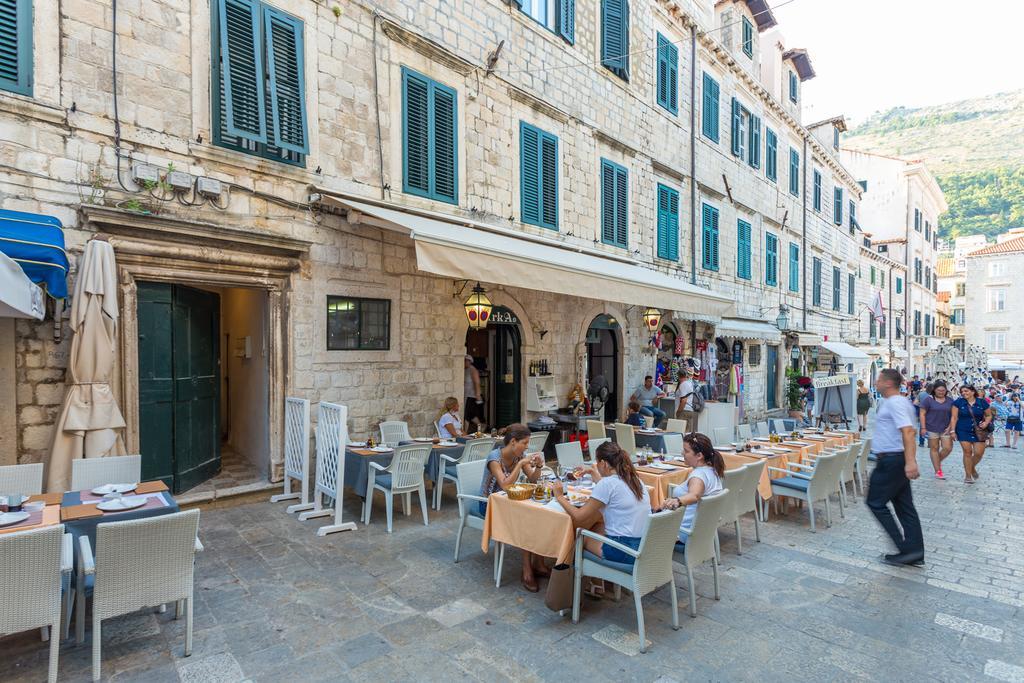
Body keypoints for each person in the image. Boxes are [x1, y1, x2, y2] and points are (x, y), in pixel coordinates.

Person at [550, 442, 650, 566]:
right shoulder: (634, 480)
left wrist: (559, 497)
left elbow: (579, 516)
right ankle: (598, 582)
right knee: (595, 526)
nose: (596, 466)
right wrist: (593, 473)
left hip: (624, 552)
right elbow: (610, 490)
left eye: (597, 463)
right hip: (643, 547)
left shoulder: (607, 484)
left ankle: (579, 577)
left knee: (577, 534)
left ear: (603, 463)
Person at [478, 424, 547, 591]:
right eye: (525, 442)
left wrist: (538, 466)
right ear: (514, 442)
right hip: (489, 504)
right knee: (526, 521)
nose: (527, 446)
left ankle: (538, 562)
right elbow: (505, 485)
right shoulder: (494, 458)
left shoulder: (519, 455)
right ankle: (527, 570)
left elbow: (532, 479)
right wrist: (520, 463)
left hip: (508, 502)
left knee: (538, 515)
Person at [866, 368, 924, 567]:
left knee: (875, 502)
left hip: (892, 460)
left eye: (878, 380)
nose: (875, 383)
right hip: (895, 458)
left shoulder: (896, 403)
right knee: (905, 507)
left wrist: (910, 461)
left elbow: (908, 431)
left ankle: (906, 548)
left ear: (888, 383)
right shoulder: (897, 402)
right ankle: (914, 550)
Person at [660, 433, 725, 544]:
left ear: (699, 455)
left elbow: (694, 495)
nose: (682, 453)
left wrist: (677, 500)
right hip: (700, 531)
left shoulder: (698, 476)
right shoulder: (712, 471)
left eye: (686, 451)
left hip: (681, 533)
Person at [948, 385, 992, 484]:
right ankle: (968, 476)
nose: (964, 393)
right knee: (967, 452)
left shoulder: (982, 402)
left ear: (972, 391)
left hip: (979, 430)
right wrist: (952, 431)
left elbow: (989, 415)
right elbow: (954, 418)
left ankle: (971, 468)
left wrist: (985, 423)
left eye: (966, 391)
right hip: (963, 429)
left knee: (978, 453)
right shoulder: (958, 402)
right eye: (962, 392)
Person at [919, 380, 954, 480]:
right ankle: (938, 471)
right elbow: (922, 414)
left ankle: (936, 461)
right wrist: (923, 427)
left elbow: (954, 415)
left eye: (943, 390)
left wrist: (951, 426)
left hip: (945, 428)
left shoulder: (950, 400)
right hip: (931, 427)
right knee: (934, 448)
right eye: (939, 390)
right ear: (934, 390)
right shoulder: (928, 400)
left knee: (947, 448)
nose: (941, 392)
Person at [463, 355, 484, 432]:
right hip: (466, 395)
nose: (464, 362)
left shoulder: (473, 370)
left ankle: (465, 432)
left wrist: (478, 395)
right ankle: (480, 426)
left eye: (465, 361)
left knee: (466, 415)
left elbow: (477, 383)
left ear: (469, 361)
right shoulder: (465, 370)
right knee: (470, 415)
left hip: (471, 396)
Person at [675, 370, 699, 434]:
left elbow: (684, 400)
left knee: (680, 432)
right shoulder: (689, 383)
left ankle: (681, 444)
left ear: (678, 376)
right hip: (690, 410)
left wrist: (678, 411)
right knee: (687, 433)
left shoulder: (683, 385)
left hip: (684, 411)